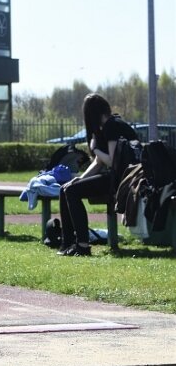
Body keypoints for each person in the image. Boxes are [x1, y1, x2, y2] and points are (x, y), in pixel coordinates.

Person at [57, 93, 137, 256]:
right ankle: (68, 242)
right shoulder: (107, 126)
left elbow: (112, 162)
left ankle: (83, 245)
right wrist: (81, 179)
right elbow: (98, 163)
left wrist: (95, 149)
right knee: (66, 188)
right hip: (116, 177)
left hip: (122, 180)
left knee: (72, 192)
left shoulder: (111, 126)